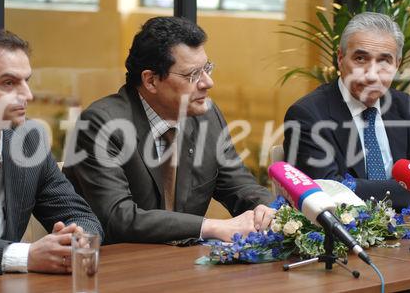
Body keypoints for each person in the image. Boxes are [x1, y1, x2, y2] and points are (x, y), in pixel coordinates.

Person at [63, 16, 275, 245]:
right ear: (151, 81)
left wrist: (264, 209)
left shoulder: (207, 117)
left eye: (207, 69)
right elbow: (117, 217)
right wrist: (212, 227)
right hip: (117, 268)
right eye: (193, 75)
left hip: (186, 265)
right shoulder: (101, 124)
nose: (208, 82)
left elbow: (240, 186)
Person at [0, 29, 103, 275]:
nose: (27, 95)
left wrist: (76, 239)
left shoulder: (28, 142)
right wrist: (27, 256)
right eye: (9, 83)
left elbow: (79, 215)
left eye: (27, 81)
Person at [283, 12, 410, 209]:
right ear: (340, 58)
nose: (371, 75)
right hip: (343, 234)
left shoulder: (401, 105)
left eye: (384, 61)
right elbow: (328, 189)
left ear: (398, 64)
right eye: (361, 59)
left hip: (406, 231)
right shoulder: (307, 115)